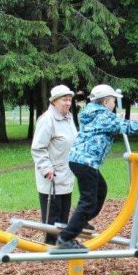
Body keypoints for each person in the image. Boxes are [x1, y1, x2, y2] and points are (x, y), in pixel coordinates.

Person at [55, 84, 138, 249]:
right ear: (105, 102)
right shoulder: (104, 117)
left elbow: (109, 124)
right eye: (113, 101)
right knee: (88, 200)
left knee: (100, 191)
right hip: (86, 162)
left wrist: (115, 119)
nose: (114, 104)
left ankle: (81, 221)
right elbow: (128, 127)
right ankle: (65, 238)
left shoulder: (92, 112)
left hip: (80, 160)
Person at [31, 85, 77, 244]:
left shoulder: (69, 118)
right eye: (64, 100)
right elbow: (38, 148)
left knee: (63, 218)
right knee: (52, 220)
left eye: (70, 100)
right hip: (52, 178)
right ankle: (49, 248)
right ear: (55, 101)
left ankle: (61, 245)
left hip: (67, 176)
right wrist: (46, 168)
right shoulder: (47, 119)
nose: (68, 103)